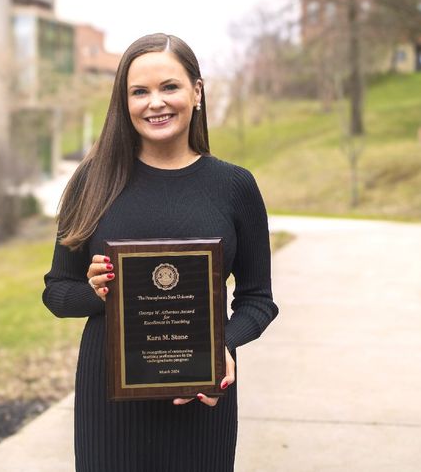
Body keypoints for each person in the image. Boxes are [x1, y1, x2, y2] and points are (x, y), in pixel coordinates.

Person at [42, 33, 279, 472]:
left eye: (169, 86)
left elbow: (257, 300)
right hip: (109, 401)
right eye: (139, 91)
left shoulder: (234, 187)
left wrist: (220, 347)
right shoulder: (92, 182)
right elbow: (57, 292)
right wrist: (95, 292)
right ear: (124, 101)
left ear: (197, 91)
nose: (155, 103)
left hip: (201, 400)